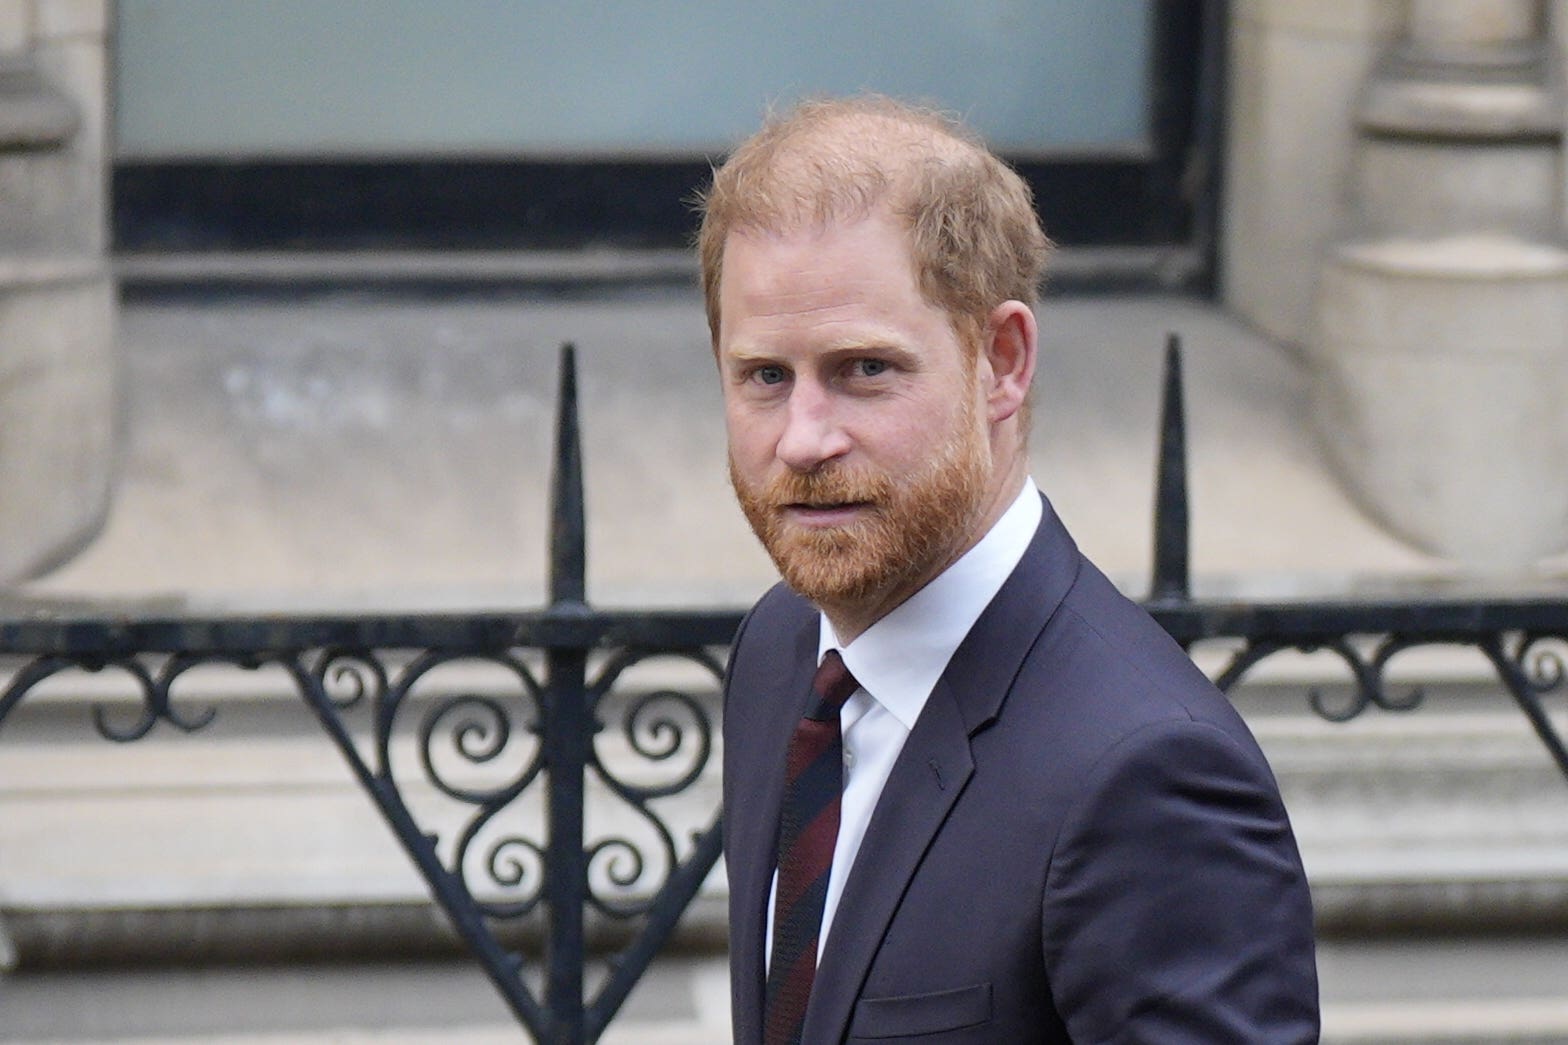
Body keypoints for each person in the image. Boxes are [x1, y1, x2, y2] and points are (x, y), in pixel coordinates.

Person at [698, 95, 1318, 1044]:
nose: (804, 439)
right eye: (765, 376)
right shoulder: (779, 649)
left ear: (1003, 360)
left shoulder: (1149, 776)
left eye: (865, 369)